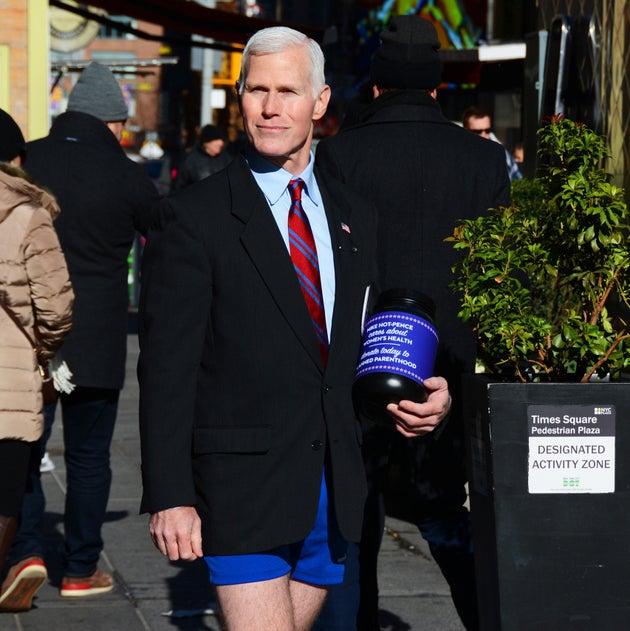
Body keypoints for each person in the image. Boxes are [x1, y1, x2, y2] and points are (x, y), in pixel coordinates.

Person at [138, 25, 452, 631]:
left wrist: (422, 392)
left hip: (334, 491)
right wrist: (170, 496)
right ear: (240, 99)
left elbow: (360, 345)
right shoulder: (193, 218)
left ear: (320, 101)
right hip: (240, 489)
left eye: (287, 91)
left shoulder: (354, 214)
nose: (271, 107)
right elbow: (166, 370)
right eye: (257, 90)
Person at [315, 15, 511, 631]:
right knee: (450, 518)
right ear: (436, 87)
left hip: (361, 362)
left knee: (358, 518)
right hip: (450, 368)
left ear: (376, 87)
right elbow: (497, 274)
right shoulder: (484, 160)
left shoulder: (337, 154)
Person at [5, 61, 163, 598]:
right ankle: (79, 567)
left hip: (31, 336)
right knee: (90, 457)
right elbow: (167, 237)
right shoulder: (127, 175)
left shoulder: (29, 161)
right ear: (114, 123)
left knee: (26, 451)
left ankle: (24, 553)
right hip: (97, 337)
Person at [0, 109, 74, 611]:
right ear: (18, 159)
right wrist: (43, 352)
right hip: (9, 381)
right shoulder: (28, 214)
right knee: (6, 497)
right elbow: (56, 307)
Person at [462, 105, 522, 182]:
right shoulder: (458, 156)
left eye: (487, 130)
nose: (484, 135)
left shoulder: (501, 153)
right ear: (465, 131)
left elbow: (517, 181)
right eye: (478, 131)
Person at [173, 123, 233, 190]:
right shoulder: (191, 161)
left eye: (221, 140)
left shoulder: (226, 158)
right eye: (216, 139)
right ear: (206, 143)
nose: (221, 143)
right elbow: (180, 186)